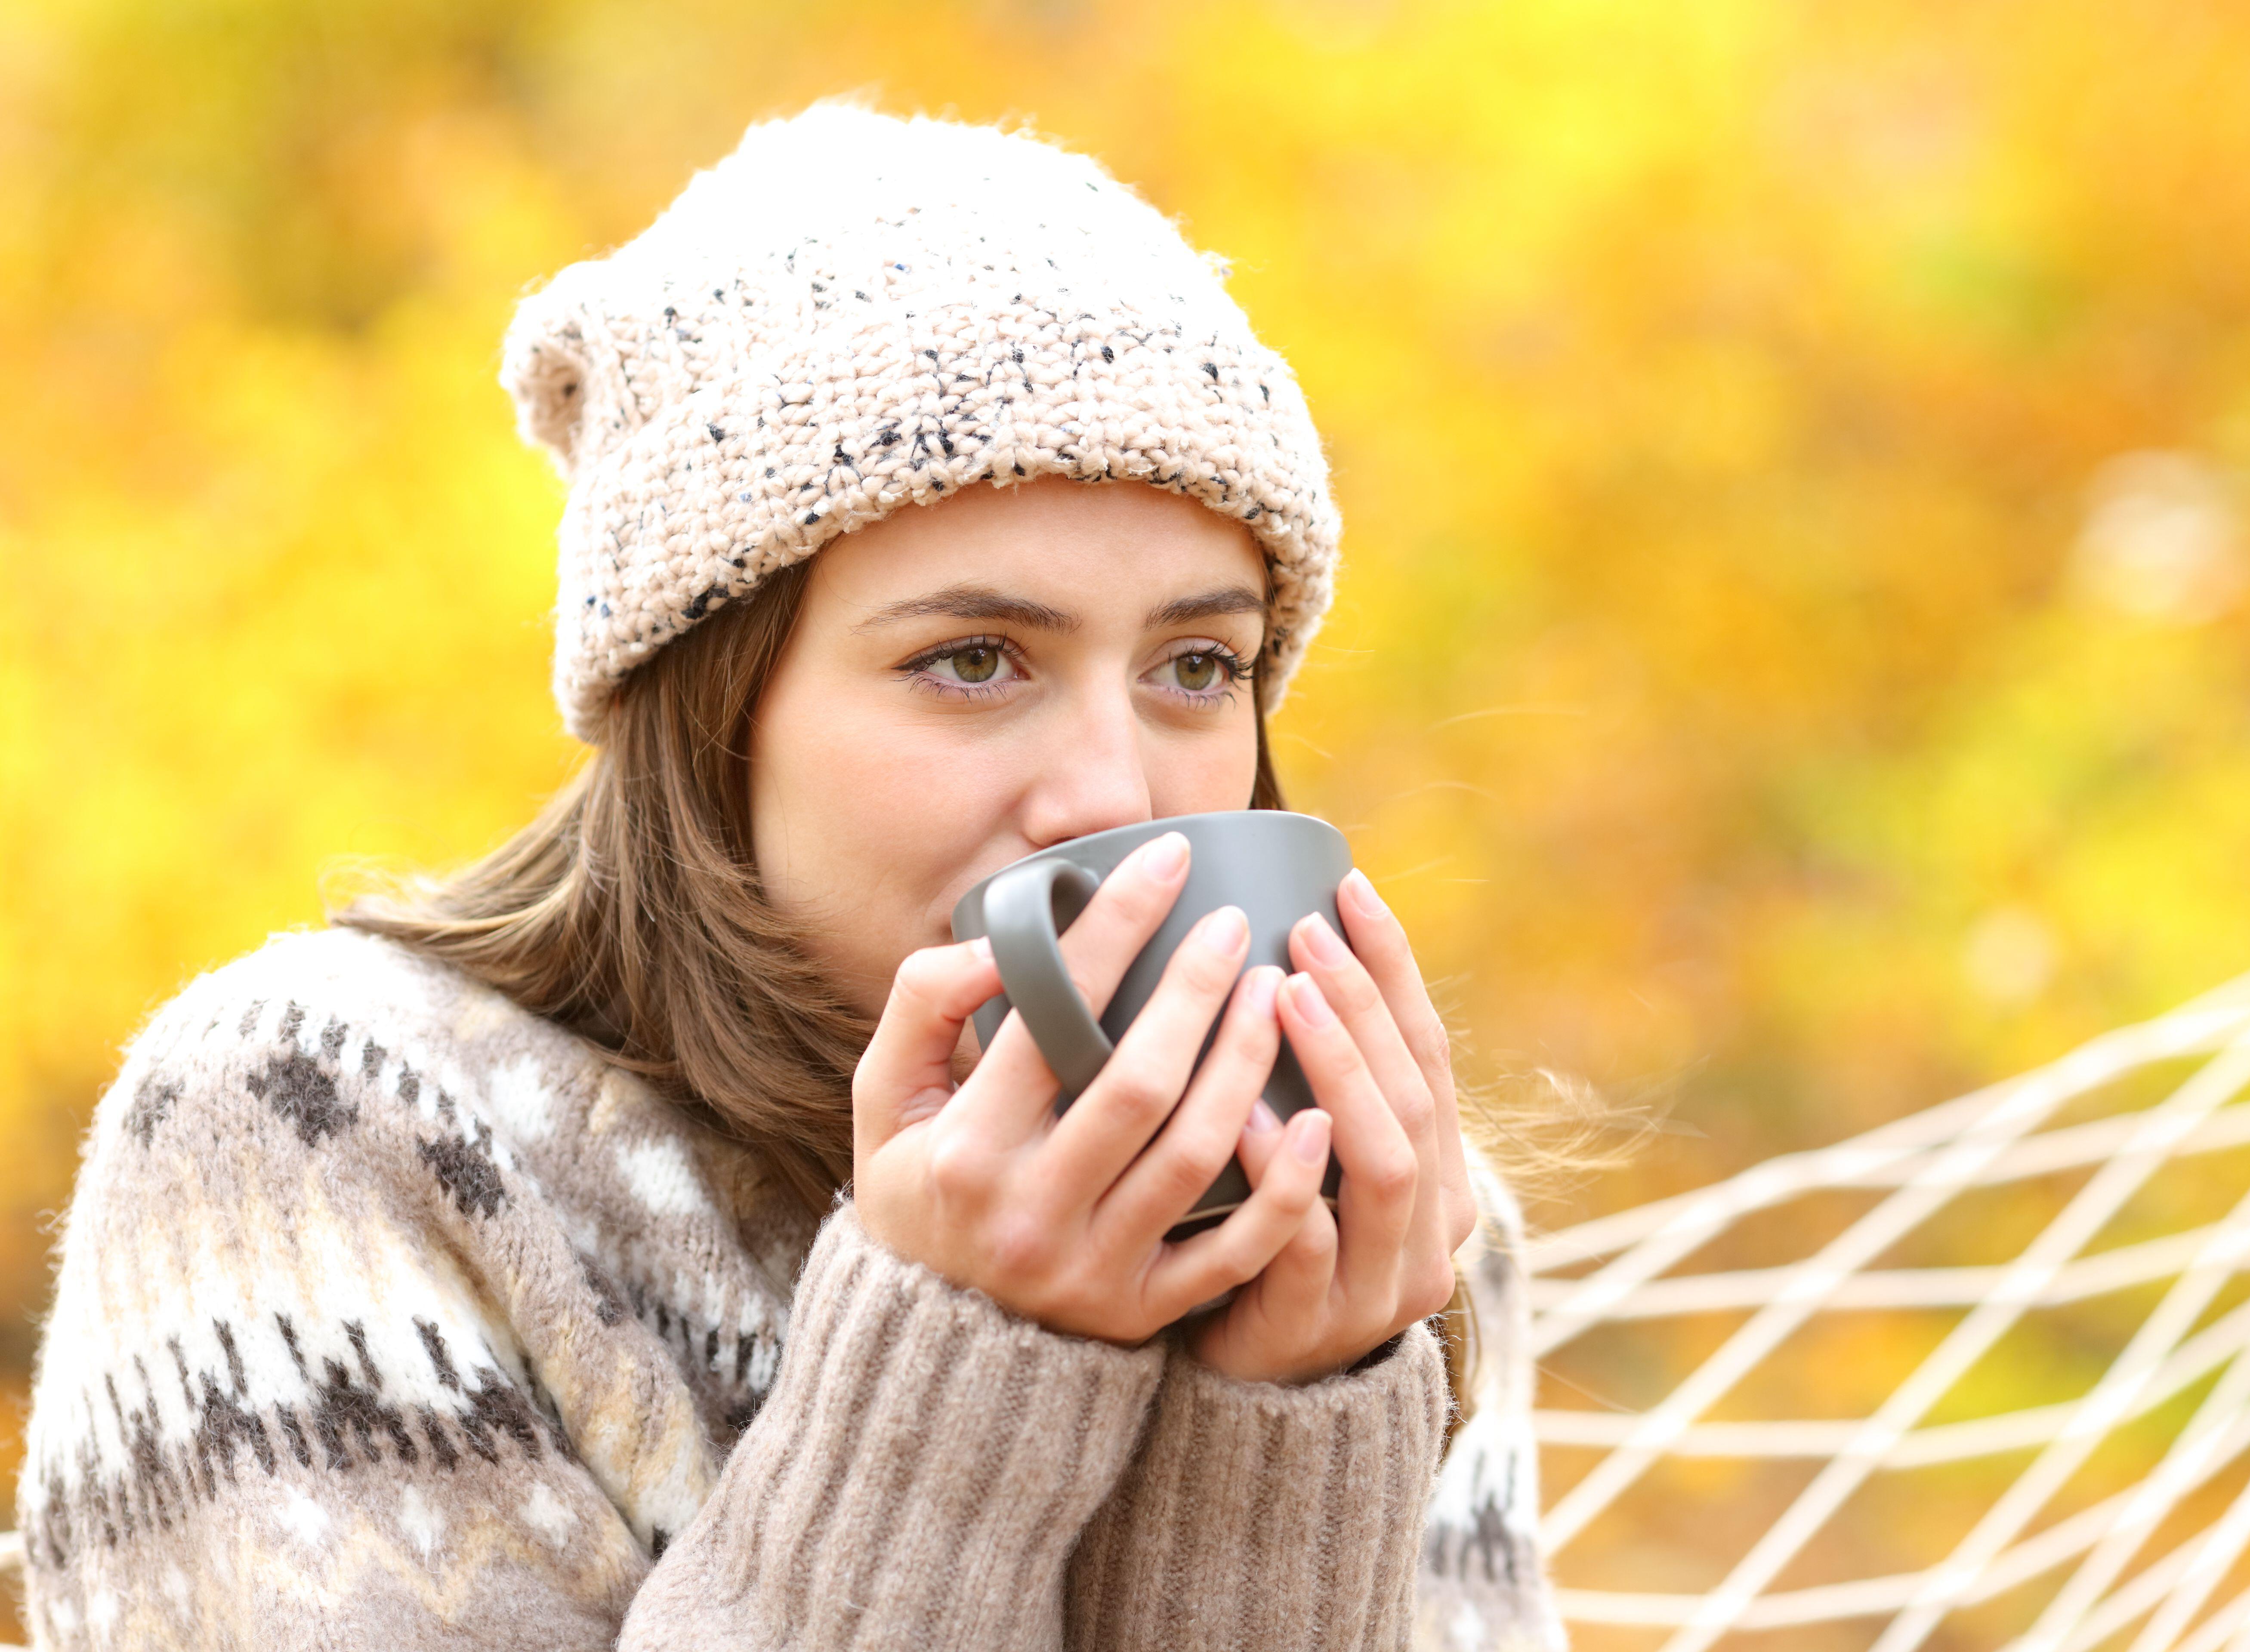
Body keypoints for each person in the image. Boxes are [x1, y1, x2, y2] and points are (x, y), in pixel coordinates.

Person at [12, 105, 1562, 1650]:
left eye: (1198, 665)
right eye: (974, 659)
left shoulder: (1380, 1214)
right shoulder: (324, 1125)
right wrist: (957, 1375)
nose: (1115, 791)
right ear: (712, 704)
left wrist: (1283, 1425)